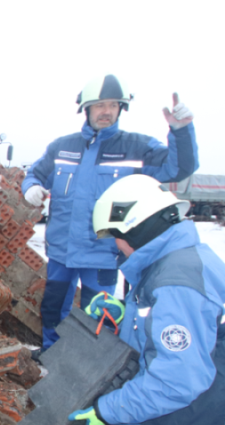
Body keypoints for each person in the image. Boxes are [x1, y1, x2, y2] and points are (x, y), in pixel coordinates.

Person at [70, 175, 225, 425]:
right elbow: (171, 331)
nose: (117, 247)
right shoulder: (175, 259)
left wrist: (103, 411)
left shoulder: (176, 281)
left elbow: (176, 380)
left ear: (138, 229)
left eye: (117, 237)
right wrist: (125, 315)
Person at [21, 74, 198, 353]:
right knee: (53, 307)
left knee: (98, 313)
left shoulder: (136, 147)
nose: (106, 111)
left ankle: (89, 362)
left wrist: (181, 132)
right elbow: (35, 174)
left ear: (120, 109)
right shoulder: (62, 147)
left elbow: (178, 169)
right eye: (100, 105)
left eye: (113, 105)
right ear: (86, 108)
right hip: (61, 253)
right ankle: (51, 355)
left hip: (103, 254)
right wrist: (30, 187)